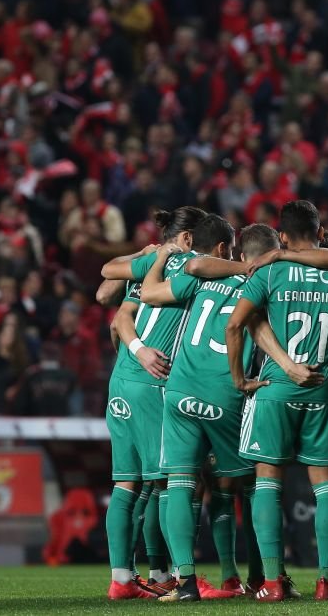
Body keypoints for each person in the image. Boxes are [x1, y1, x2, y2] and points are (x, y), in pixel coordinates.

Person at [224, 200, 328, 601]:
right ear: (321, 234)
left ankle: (271, 582)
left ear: (281, 237)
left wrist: (240, 379)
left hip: (274, 390)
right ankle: (325, 582)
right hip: (322, 389)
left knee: (267, 484)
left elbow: (237, 323)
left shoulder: (271, 271)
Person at [139, 218, 318, 602]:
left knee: (180, 484)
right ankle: (268, 578)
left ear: (239, 253)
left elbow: (171, 281)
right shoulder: (263, 284)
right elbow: (254, 329)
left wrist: (157, 258)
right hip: (226, 394)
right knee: (256, 487)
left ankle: (185, 581)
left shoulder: (203, 277)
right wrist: (288, 367)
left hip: (180, 391)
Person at [98, 206, 207, 600]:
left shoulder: (150, 266)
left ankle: (124, 580)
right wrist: (147, 354)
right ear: (191, 238)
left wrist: (136, 349)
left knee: (127, 483)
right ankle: (176, 576)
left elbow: (117, 315)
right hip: (153, 380)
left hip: (122, 379)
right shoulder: (193, 265)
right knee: (168, 481)